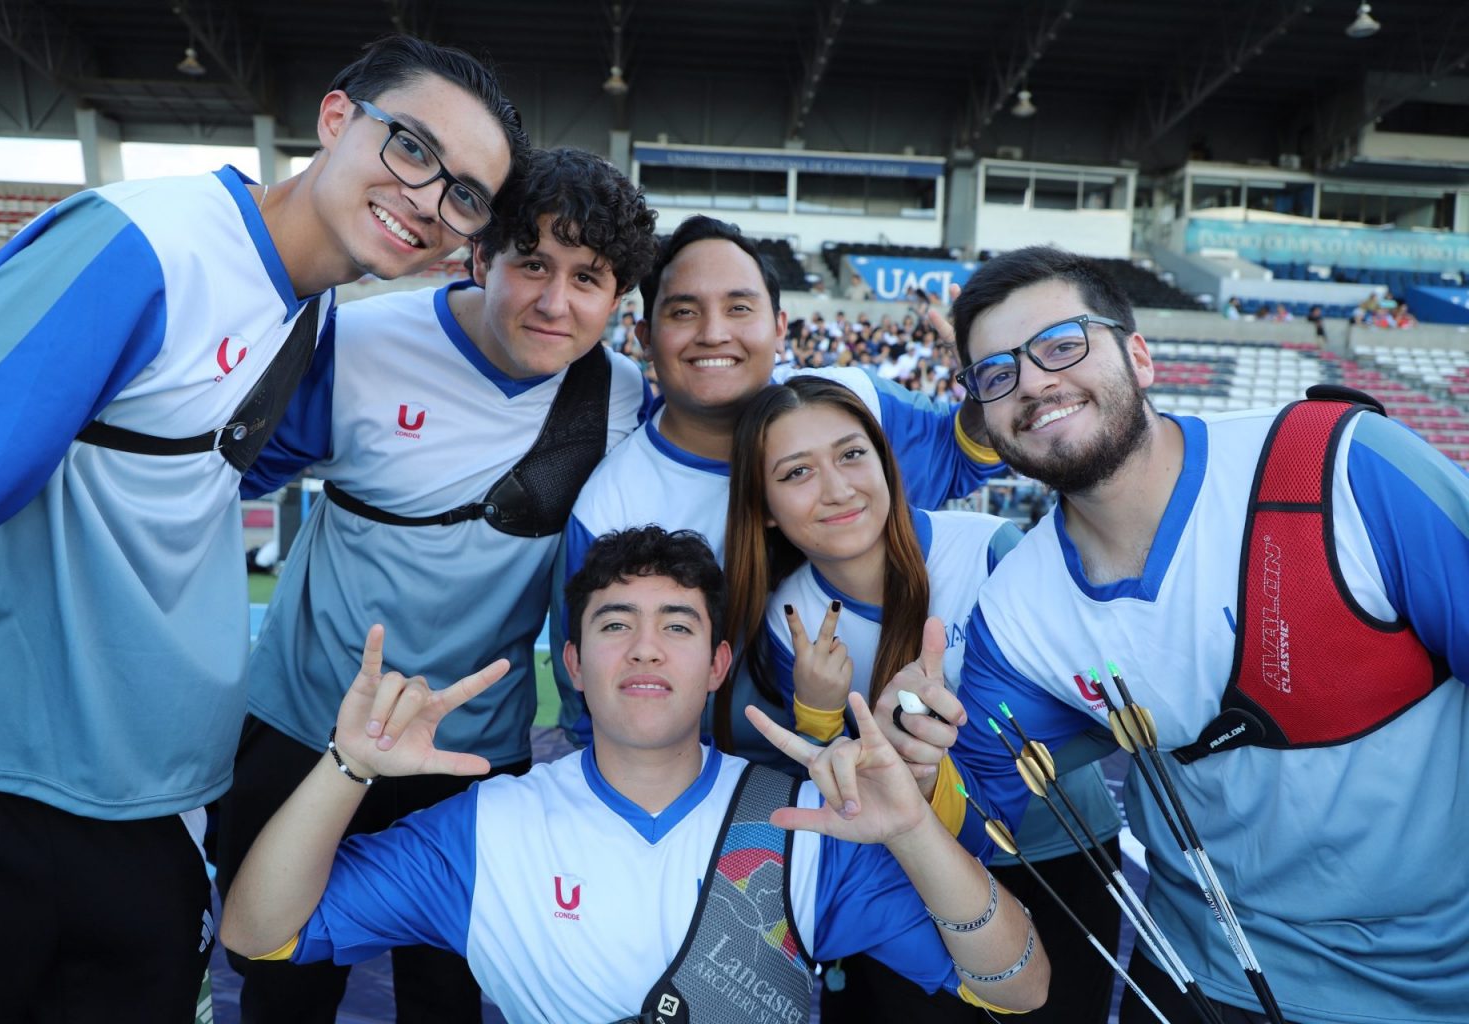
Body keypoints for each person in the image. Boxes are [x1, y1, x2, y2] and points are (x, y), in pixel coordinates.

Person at [0, 34, 525, 1022]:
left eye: (465, 194)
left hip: (151, 802)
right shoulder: (143, 245)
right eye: (413, 148)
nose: (429, 200)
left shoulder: (310, 312)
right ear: (335, 118)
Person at [219, 527, 1050, 1021]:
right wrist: (348, 766)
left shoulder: (803, 823)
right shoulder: (487, 828)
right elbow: (257, 934)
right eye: (616, 625)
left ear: (718, 665)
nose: (647, 648)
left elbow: (1019, 988)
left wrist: (913, 831)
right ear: (573, 665)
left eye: (678, 626)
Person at [943, 245, 1469, 1023]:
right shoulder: (1016, 615)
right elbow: (970, 810)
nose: (1032, 382)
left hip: (1442, 983)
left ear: (1140, 357)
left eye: (1060, 345)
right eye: (996, 374)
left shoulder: (1345, 469)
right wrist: (911, 759)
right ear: (985, 419)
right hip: (1204, 979)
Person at [218, 146, 656, 1023]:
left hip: (473, 759)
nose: (556, 301)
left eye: (588, 278)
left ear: (617, 299)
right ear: (479, 256)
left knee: (449, 999)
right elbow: (211, 485)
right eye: (533, 263)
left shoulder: (621, 399)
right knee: (280, 980)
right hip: (307, 732)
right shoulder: (357, 345)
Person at [720, 376, 1120, 1024]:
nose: (837, 488)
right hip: (903, 878)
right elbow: (834, 787)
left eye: (852, 455)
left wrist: (965, 759)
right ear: (762, 506)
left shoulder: (989, 550)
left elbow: (1105, 716)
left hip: (1057, 853)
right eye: (797, 472)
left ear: (885, 461)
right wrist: (819, 718)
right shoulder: (786, 616)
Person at [552, 215, 1005, 740]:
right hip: (729, 774)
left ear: (780, 326)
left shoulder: (849, 402)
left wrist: (988, 374)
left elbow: (959, 455)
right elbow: (592, 711)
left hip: (915, 747)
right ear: (646, 338)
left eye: (739, 308)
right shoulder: (606, 510)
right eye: (684, 311)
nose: (714, 333)